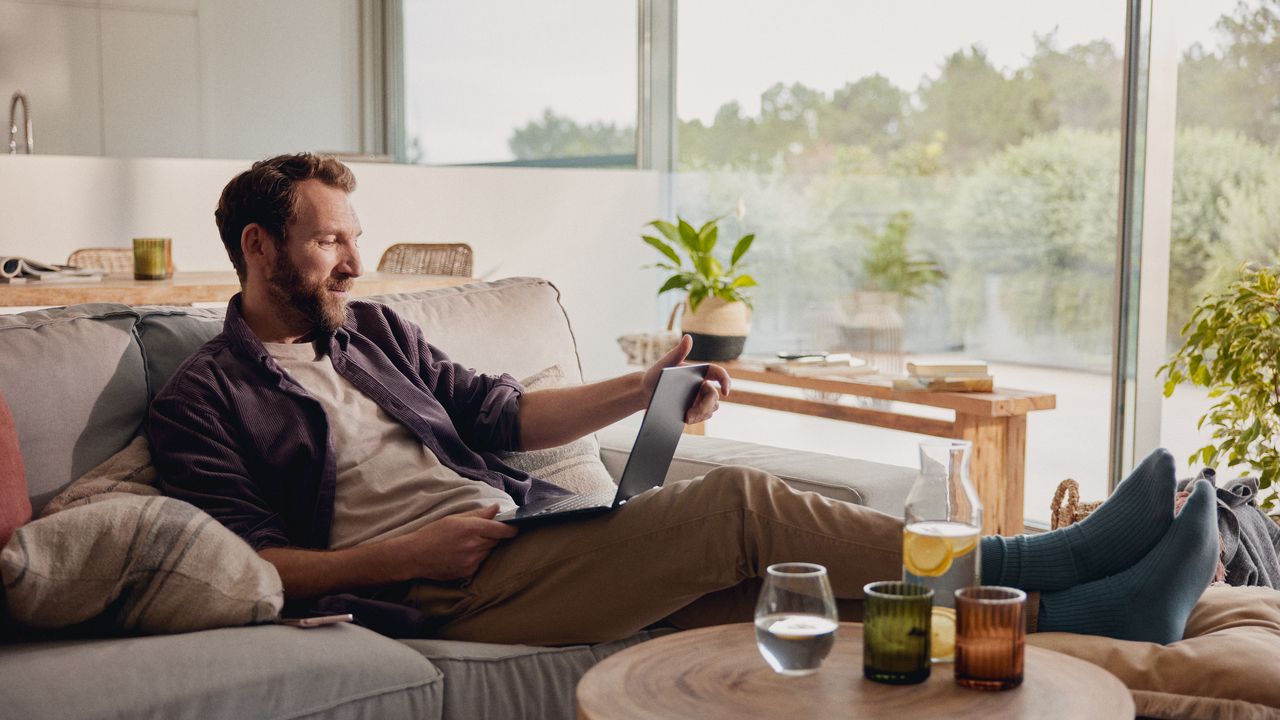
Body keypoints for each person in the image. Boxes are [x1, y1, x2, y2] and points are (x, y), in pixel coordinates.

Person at [149, 153, 1219, 646]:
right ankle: (1043, 558)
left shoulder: (375, 329)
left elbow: (504, 417)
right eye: (331, 237)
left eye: (354, 234)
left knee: (768, 604)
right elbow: (251, 563)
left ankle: (1084, 613)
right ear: (259, 246)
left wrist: (645, 389)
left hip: (524, 537)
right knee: (736, 506)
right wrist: (399, 560)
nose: (354, 257)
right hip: (435, 592)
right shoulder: (205, 397)